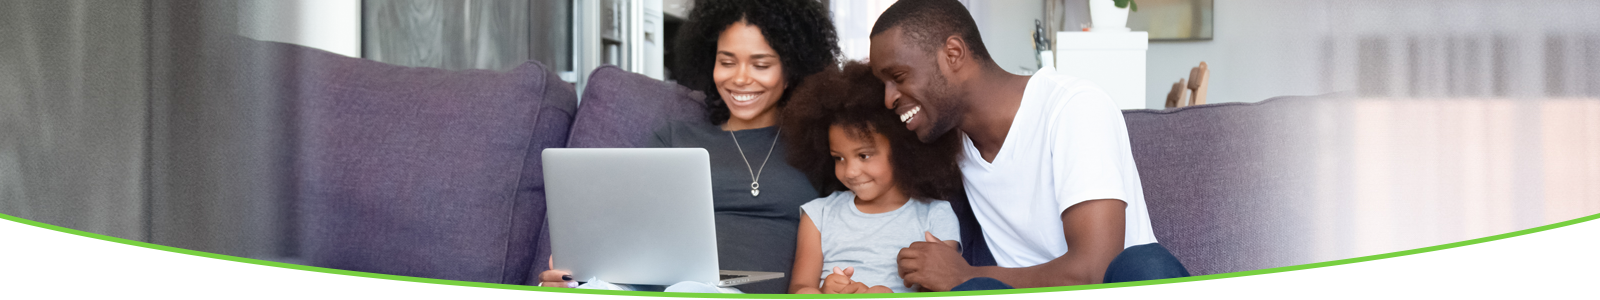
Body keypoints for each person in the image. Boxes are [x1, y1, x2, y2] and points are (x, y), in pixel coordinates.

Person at [865, 0, 1190, 291]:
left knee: (1145, 263)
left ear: (953, 54)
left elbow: (1095, 270)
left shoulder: (1073, 108)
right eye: (884, 84)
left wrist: (964, 275)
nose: (889, 98)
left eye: (899, 76)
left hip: (1121, 288)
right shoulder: (948, 145)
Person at [537, 0, 840, 294]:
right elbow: (624, 232)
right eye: (726, 62)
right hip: (658, 289)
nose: (740, 78)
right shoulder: (674, 139)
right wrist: (576, 274)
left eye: (761, 64)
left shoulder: (819, 144)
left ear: (792, 69)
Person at [778, 62, 964, 294]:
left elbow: (942, 290)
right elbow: (799, 288)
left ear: (903, 150)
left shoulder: (936, 216)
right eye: (839, 158)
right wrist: (823, 292)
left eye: (863, 155)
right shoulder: (819, 215)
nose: (850, 172)